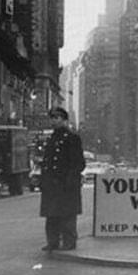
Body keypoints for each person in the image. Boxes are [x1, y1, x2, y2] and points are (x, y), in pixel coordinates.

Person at [40, 107, 85, 252]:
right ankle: (52, 242)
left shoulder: (72, 137)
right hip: (52, 185)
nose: (53, 121)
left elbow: (78, 163)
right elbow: (48, 162)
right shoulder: (52, 138)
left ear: (64, 120)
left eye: (57, 118)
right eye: (52, 118)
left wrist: (70, 180)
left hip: (66, 185)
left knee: (67, 216)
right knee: (52, 215)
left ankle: (69, 242)